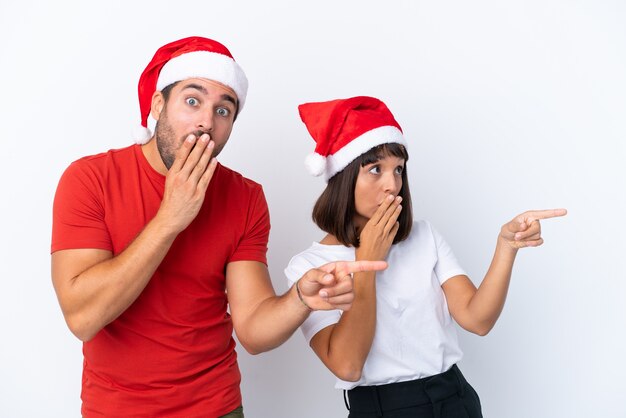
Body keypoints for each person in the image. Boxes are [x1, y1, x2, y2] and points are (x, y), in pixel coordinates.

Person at [50, 37, 386, 418]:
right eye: (192, 101)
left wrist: (300, 300)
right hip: (116, 410)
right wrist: (169, 219)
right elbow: (83, 319)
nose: (206, 122)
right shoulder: (90, 179)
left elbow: (254, 332)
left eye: (223, 110)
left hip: (217, 408)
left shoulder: (244, 197)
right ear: (158, 105)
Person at [285, 96, 567, 418]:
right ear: (343, 177)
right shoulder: (308, 267)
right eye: (375, 169)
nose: (392, 185)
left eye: (399, 170)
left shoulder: (424, 237)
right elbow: (348, 367)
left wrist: (506, 247)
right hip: (381, 408)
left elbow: (478, 320)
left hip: (454, 399)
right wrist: (367, 262)